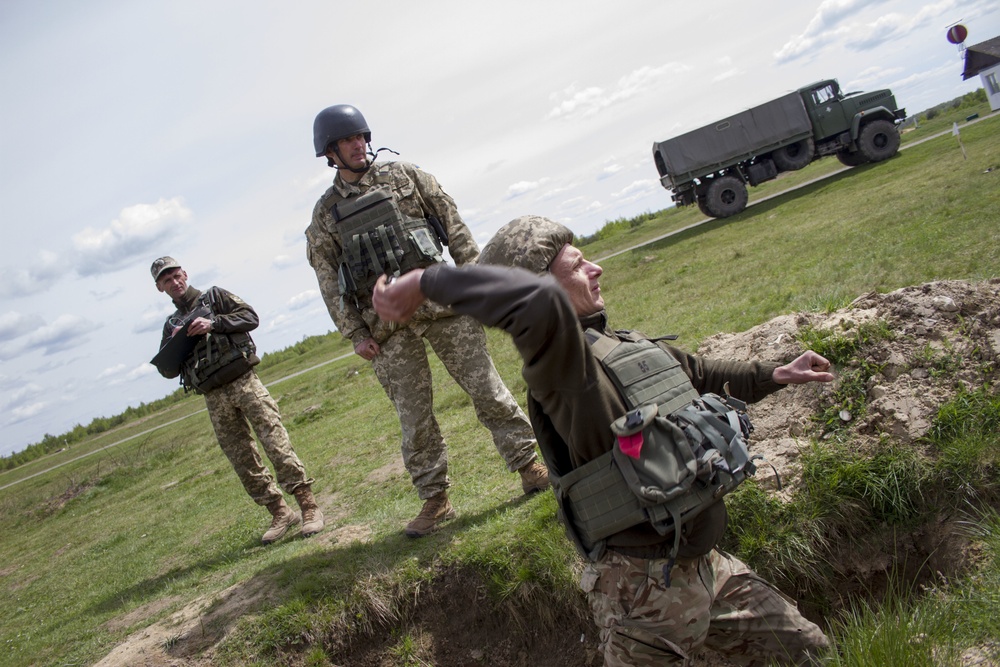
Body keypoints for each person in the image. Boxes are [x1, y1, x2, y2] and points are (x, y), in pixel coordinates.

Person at [371, 216, 833, 666]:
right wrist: (426, 281)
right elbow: (534, 303)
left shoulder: (625, 344)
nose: (596, 269)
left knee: (811, 652)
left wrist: (776, 374)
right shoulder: (566, 373)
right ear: (544, 286)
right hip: (645, 597)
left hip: (710, 569)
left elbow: (699, 373)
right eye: (577, 265)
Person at [304, 105, 548, 538]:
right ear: (330, 152)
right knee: (414, 419)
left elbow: (453, 225)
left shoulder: (405, 175)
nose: (358, 145)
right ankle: (435, 500)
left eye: (361, 137)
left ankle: (530, 465)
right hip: (386, 329)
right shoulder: (325, 215)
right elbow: (328, 278)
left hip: (442, 306)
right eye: (347, 141)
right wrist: (355, 334)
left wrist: (475, 283)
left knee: (486, 389)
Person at [149, 257, 324, 545]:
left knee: (275, 443)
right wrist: (175, 342)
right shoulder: (171, 324)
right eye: (167, 280)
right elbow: (167, 370)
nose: (175, 282)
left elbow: (250, 317)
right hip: (214, 398)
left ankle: (309, 507)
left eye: (177, 276)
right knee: (242, 459)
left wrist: (213, 324)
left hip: (244, 382)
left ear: (185, 274)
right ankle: (280, 512)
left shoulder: (215, 296)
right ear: (160, 288)